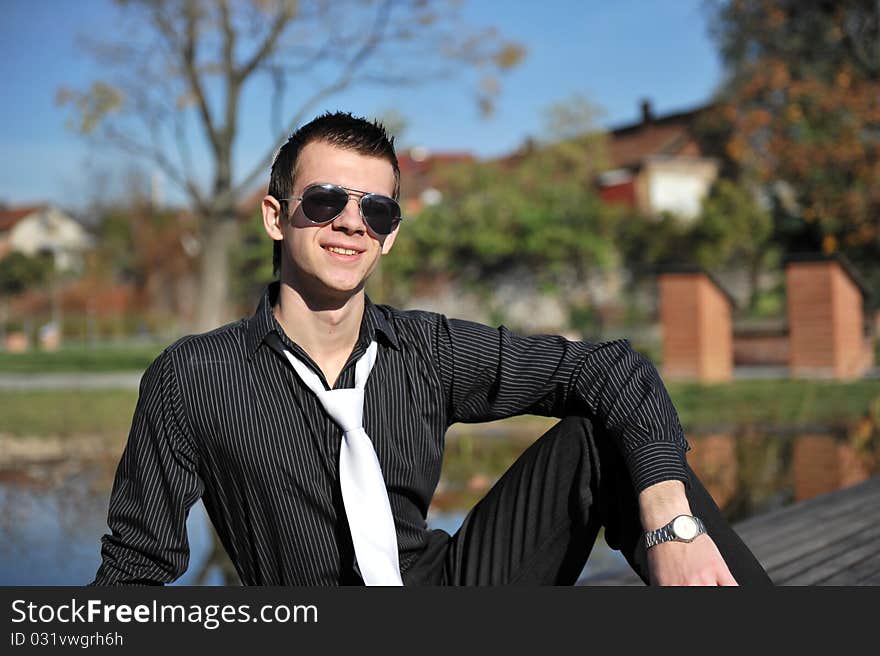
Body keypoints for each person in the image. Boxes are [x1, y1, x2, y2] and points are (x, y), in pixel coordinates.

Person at [92, 111, 772, 586]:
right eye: (326, 200)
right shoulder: (194, 377)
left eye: (376, 210)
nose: (352, 222)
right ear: (276, 216)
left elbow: (611, 368)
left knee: (598, 444)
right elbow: (136, 569)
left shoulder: (427, 350)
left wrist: (668, 523)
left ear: (389, 235)